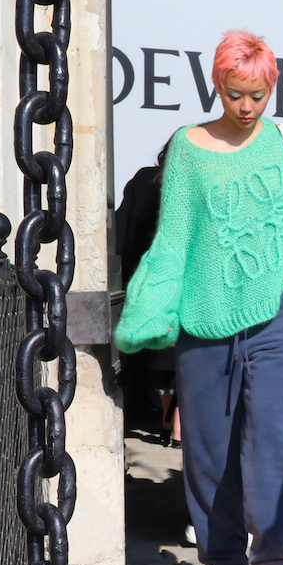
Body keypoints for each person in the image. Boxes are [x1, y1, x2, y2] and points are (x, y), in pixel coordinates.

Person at [113, 30, 283, 565]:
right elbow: (175, 236)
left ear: (271, 89)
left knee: (275, 438)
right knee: (209, 445)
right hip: (204, 315)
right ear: (217, 85)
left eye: (258, 95)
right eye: (236, 93)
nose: (246, 107)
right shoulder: (187, 146)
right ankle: (223, 556)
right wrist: (153, 306)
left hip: (279, 312)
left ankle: (279, 558)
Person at [113, 138, 179, 444]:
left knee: (158, 360)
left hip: (149, 280)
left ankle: (170, 422)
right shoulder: (199, 187)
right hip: (181, 283)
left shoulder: (144, 180)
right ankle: (176, 426)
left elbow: (124, 234)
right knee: (177, 358)